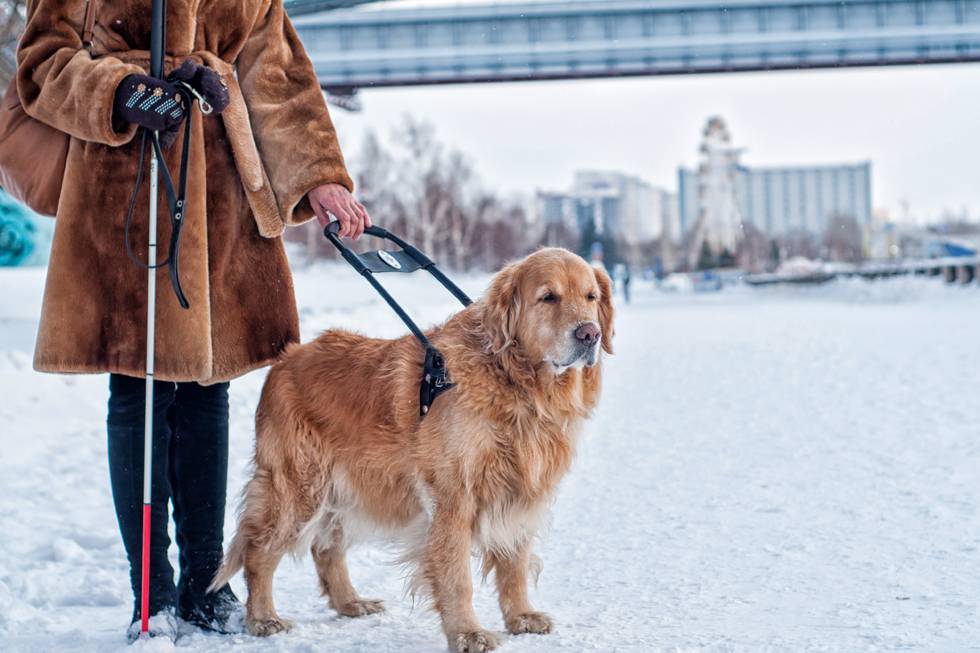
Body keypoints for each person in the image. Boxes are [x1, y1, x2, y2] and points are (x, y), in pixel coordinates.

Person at [15, 0, 370, 641]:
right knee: (137, 390)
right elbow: (41, 62)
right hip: (120, 194)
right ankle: (147, 593)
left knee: (209, 388)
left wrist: (319, 178)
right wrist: (117, 90)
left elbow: (276, 72)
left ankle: (207, 585)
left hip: (220, 199)